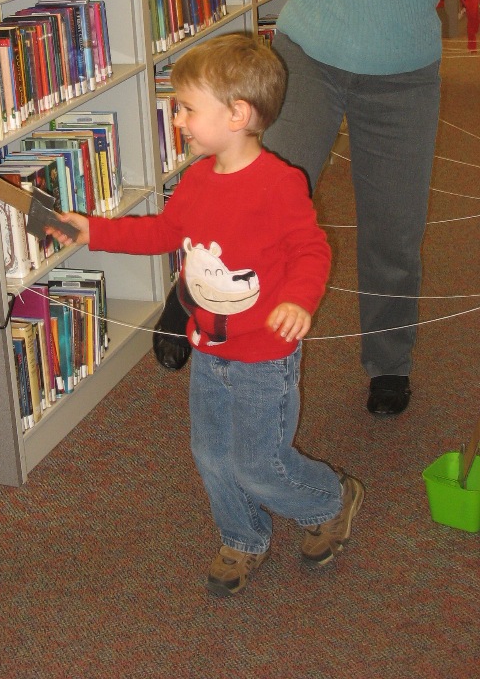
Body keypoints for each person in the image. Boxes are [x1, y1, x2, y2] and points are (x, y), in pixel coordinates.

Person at [106, 0, 480, 417]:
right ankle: (191, 296)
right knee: (249, 189)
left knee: (392, 232)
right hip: (309, 56)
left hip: (400, 71)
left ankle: (388, 362)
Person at [52, 35, 363, 595]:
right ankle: (242, 535)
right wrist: (93, 230)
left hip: (263, 356)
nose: (178, 120)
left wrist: (299, 299)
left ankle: (329, 498)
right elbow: (162, 233)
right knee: (212, 454)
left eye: (188, 108)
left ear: (237, 115)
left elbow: (311, 250)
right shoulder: (197, 180)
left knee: (259, 465)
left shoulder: (279, 183)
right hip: (210, 350)